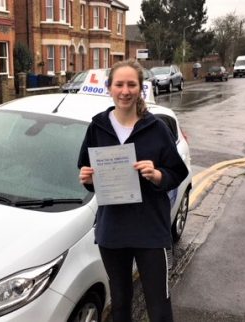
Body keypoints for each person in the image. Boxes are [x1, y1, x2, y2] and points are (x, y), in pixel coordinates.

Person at [77, 59, 189, 322]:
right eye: (119, 84)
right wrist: (87, 178)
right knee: (120, 304)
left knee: (159, 307)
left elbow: (177, 173)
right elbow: (86, 170)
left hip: (150, 230)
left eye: (131, 84)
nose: (125, 90)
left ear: (140, 89)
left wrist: (157, 174)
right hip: (113, 230)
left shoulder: (156, 129)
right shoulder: (97, 127)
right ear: (109, 88)